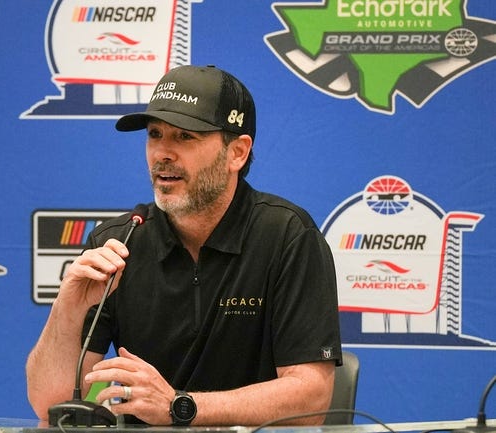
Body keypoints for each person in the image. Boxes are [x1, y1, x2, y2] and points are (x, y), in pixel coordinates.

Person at [26, 65, 342, 427]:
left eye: (184, 137)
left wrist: (179, 406)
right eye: (155, 134)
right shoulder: (119, 243)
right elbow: (50, 404)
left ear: (237, 152)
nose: (163, 153)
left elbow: (312, 396)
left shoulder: (287, 236)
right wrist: (67, 306)